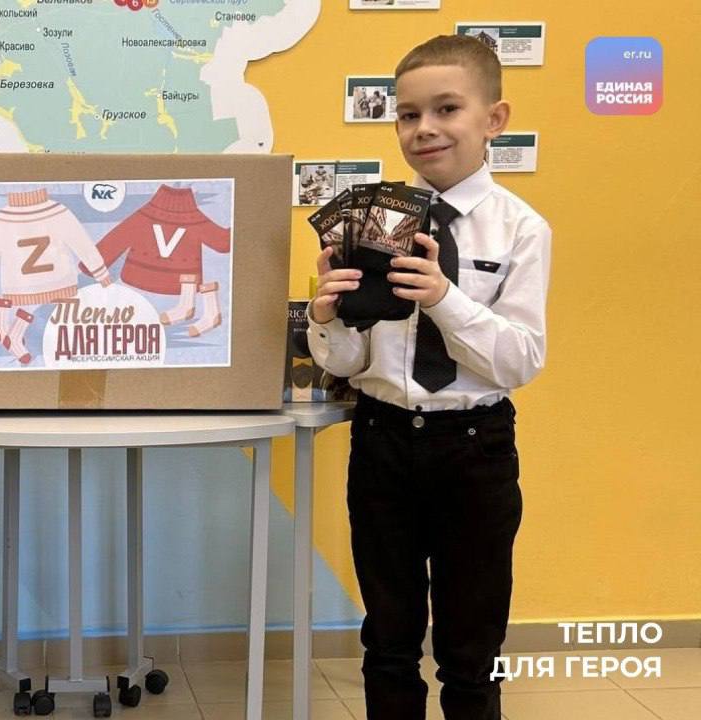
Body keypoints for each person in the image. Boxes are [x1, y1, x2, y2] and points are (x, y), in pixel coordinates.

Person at [308, 34, 551, 720]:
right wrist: (327, 319)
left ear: (494, 119)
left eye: (447, 109)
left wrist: (445, 298)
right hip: (382, 441)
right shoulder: (370, 221)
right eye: (409, 114)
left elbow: (520, 359)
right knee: (388, 639)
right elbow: (349, 363)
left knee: (471, 647)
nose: (425, 129)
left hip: (474, 449)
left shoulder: (522, 229)